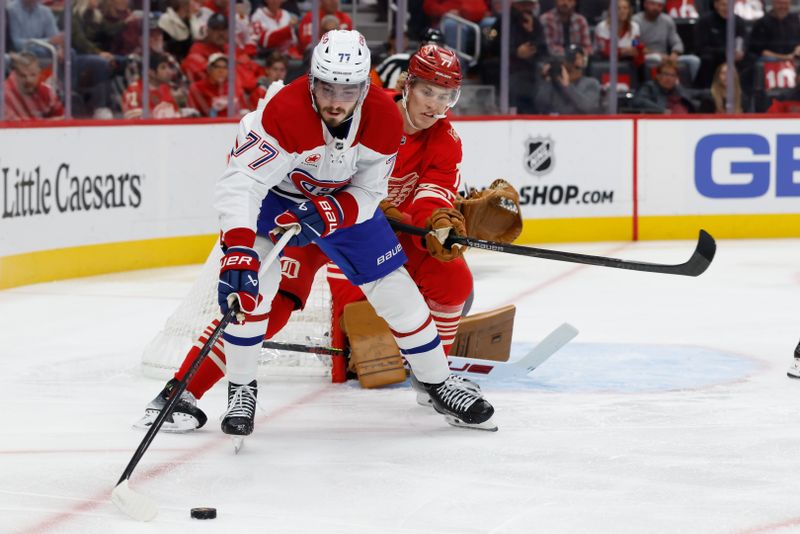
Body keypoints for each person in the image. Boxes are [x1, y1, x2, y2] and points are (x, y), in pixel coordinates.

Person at [135, 38, 499, 436]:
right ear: (312, 81)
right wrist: (239, 247)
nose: (336, 101)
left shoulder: (383, 118)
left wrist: (334, 211)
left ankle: (436, 381)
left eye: (348, 90)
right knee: (256, 294)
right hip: (280, 203)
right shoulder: (283, 112)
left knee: (397, 290)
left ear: (364, 86)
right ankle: (200, 389)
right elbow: (241, 183)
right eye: (327, 87)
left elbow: (370, 190)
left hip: (342, 209)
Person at [633, 0, 700, 83]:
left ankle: (687, 87)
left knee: (694, 60)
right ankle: (651, 86)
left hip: (666, 57)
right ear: (645, 4)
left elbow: (677, 42)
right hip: (645, 56)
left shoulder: (667, 20)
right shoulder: (635, 20)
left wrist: (674, 54)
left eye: (659, 6)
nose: (656, 8)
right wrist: (658, 55)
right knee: (655, 59)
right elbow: (634, 43)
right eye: (653, 4)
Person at [694, 0, 748, 89]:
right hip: (714, 56)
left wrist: (741, 51)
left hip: (734, 57)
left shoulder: (739, 22)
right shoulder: (705, 21)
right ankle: (708, 91)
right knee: (707, 59)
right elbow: (701, 47)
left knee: (750, 60)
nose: (727, 8)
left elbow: (743, 40)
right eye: (723, 5)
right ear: (716, 5)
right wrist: (724, 52)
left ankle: (744, 93)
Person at [535, 44, 601, 114]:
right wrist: (547, 80)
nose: (570, 62)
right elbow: (540, 106)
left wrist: (568, 86)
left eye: (577, 57)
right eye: (568, 58)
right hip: (556, 123)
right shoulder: (555, 82)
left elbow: (588, 107)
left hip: (579, 123)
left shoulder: (591, 83)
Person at [3, 51, 64, 120]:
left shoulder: (46, 92)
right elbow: (13, 125)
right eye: (23, 76)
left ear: (39, 73)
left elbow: (62, 117)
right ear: (15, 74)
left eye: (33, 75)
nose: (29, 80)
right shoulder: (5, 94)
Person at [121, 52, 181, 119]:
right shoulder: (134, 91)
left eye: (169, 67)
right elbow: (132, 120)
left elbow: (176, 115)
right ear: (150, 72)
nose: (169, 71)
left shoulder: (165, 88)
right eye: (163, 67)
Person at [186, 52, 247, 116]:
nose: (221, 71)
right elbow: (191, 113)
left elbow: (244, 111)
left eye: (225, 67)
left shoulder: (234, 87)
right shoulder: (197, 88)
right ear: (209, 69)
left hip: (231, 124)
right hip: (207, 124)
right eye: (217, 67)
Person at [631, 58, 696, 113]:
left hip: (687, 122)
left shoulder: (678, 88)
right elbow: (639, 100)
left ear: (676, 78)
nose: (669, 78)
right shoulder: (649, 87)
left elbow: (694, 93)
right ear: (657, 76)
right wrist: (662, 110)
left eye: (672, 75)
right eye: (665, 74)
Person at [594, 0, 643, 67]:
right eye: (618, 8)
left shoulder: (635, 27)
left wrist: (635, 49)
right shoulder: (602, 27)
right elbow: (606, 50)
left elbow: (635, 46)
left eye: (625, 8)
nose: (622, 11)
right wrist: (622, 51)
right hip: (605, 63)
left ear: (629, 10)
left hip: (628, 63)